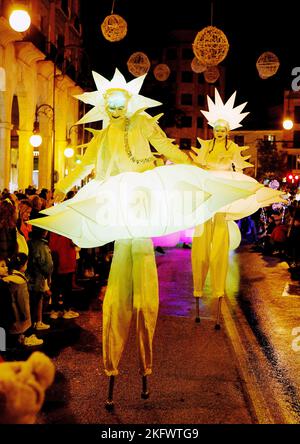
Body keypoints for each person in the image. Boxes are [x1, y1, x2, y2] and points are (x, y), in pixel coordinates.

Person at [190, 89, 255, 328]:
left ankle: (217, 289)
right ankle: (198, 286)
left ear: (229, 131)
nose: (219, 132)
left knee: (219, 248)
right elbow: (197, 169)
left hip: (222, 202)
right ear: (212, 129)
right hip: (206, 200)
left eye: (223, 129)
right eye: (216, 128)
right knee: (200, 247)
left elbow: (240, 171)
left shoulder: (233, 149)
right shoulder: (205, 147)